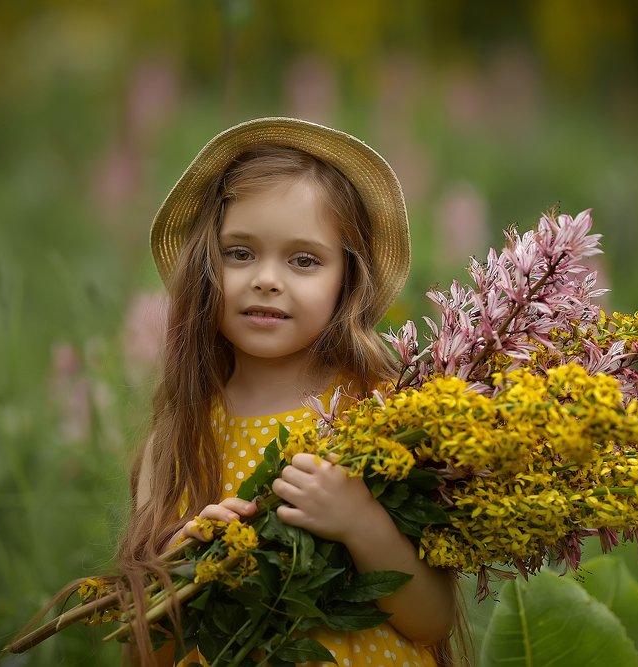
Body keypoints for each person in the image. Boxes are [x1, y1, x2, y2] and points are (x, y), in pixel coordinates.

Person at [116, 117, 459, 666]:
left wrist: (360, 521)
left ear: (348, 279)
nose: (267, 279)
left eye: (304, 260)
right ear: (207, 266)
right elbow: (147, 654)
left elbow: (431, 618)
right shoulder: (181, 437)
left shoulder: (381, 410)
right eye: (240, 253)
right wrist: (182, 571)